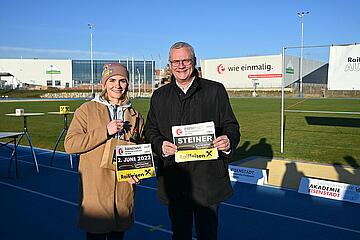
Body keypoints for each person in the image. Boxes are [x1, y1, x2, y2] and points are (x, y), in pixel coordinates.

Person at [144, 42, 240, 240]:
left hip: (208, 179)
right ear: (169, 64)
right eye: (175, 61)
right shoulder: (159, 96)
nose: (181, 65)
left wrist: (228, 140)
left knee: (208, 234)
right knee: (180, 234)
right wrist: (160, 145)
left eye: (185, 60)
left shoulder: (215, 90)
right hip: (175, 180)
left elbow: (232, 125)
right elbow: (150, 130)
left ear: (194, 62)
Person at [64, 63, 144, 240]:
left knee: (118, 235)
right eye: (112, 80)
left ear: (128, 84)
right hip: (96, 187)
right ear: (104, 84)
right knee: (96, 235)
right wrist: (105, 131)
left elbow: (141, 150)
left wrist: (137, 171)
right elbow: (70, 144)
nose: (117, 85)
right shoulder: (86, 110)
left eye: (122, 80)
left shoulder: (135, 115)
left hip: (123, 188)